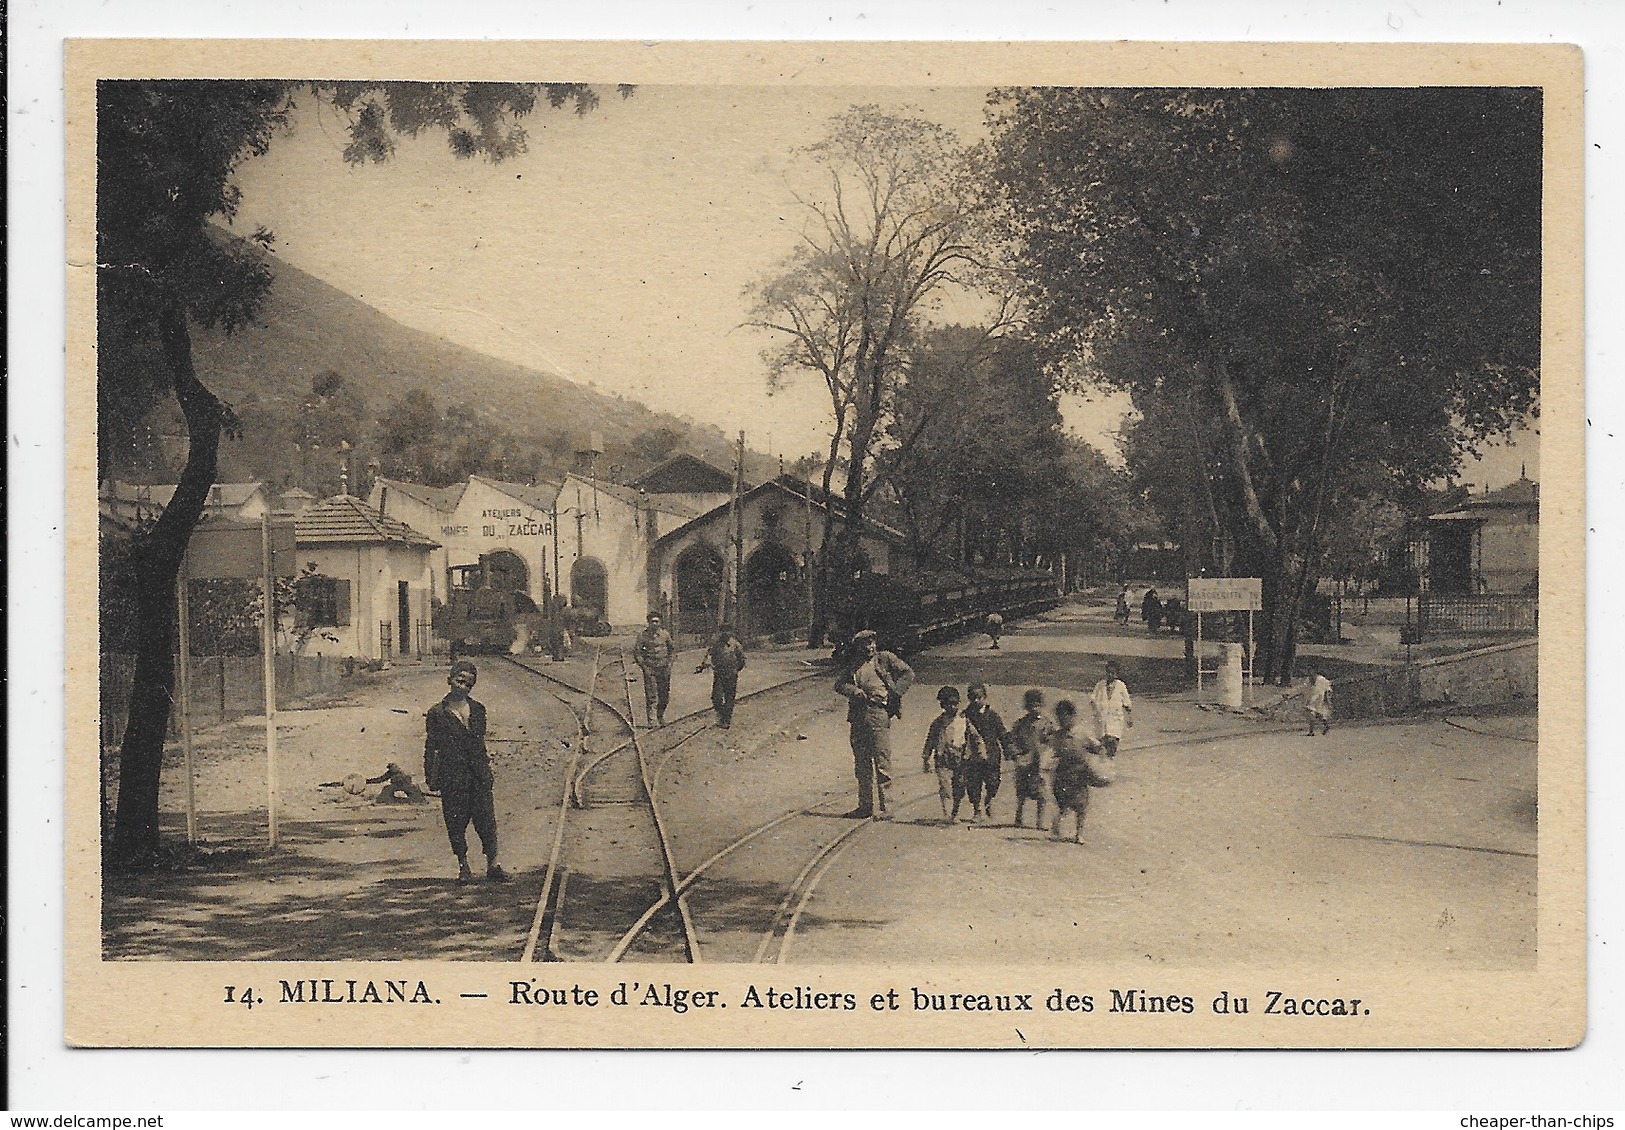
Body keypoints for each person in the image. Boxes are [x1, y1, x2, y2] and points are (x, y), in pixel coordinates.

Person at [424, 661, 510, 883]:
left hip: (478, 775)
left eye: (469, 684)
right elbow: (431, 746)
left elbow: (479, 744)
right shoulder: (437, 713)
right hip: (452, 776)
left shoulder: (478, 710)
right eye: (459, 681)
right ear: (450, 680)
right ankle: (463, 866)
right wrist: (431, 778)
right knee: (455, 822)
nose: (463, 687)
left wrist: (486, 771)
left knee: (487, 821)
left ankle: (493, 864)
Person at [834, 629, 914, 820]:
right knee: (862, 763)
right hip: (858, 716)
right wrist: (853, 691)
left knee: (882, 761)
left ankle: (888, 808)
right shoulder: (853, 664)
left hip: (879, 714)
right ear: (858, 647)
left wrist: (895, 693)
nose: (870, 647)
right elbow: (839, 684)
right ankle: (865, 807)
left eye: (872, 643)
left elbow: (908, 673)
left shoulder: (884, 659)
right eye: (865, 645)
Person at [1049, 699, 1109, 844]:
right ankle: (1058, 820)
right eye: (1059, 718)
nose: (1062, 722)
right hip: (1062, 774)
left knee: (1081, 805)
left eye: (1065, 718)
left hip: (1080, 773)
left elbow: (1097, 746)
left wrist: (1101, 755)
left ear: (1072, 716)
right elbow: (1051, 752)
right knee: (1063, 803)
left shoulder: (1082, 733)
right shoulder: (1057, 736)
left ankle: (1079, 833)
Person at [921, 685, 983, 825]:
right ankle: (947, 814)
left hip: (960, 759)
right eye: (949, 704)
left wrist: (979, 752)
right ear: (943, 705)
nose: (953, 707)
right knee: (945, 786)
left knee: (959, 788)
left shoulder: (964, 720)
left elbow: (975, 736)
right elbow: (930, 741)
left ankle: (954, 813)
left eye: (955, 703)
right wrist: (926, 758)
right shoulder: (938, 723)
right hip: (943, 759)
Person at [963, 682, 1010, 823]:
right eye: (973, 698)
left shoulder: (993, 716)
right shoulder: (965, 716)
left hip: (992, 756)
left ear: (985, 697)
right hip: (973, 757)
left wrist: (1008, 750)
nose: (976, 701)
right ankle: (977, 810)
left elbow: (1002, 733)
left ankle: (988, 800)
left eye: (979, 697)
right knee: (973, 784)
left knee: (993, 782)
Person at [1009, 688, 1055, 830]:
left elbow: (1052, 741)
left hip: (1040, 763)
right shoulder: (1021, 723)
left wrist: (1048, 754)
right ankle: (1019, 815)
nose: (1035, 709)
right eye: (1032, 706)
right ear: (1027, 707)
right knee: (1022, 792)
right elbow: (1012, 740)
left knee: (1041, 793)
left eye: (1038, 706)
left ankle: (1039, 821)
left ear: (1042, 706)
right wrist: (1015, 753)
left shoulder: (1047, 724)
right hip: (1024, 762)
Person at [696, 626, 748, 728]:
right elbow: (709, 656)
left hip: (731, 674)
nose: (725, 633)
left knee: (729, 698)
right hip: (719, 674)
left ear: (731, 632)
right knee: (716, 697)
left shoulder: (736, 645)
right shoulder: (716, 645)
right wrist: (704, 665)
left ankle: (726, 720)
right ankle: (721, 713)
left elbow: (742, 660)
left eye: (727, 631)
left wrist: (735, 670)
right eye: (723, 631)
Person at [634, 610, 676, 727]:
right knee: (651, 695)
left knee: (664, 695)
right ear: (648, 622)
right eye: (652, 622)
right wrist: (644, 667)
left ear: (660, 622)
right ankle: (651, 720)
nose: (655, 624)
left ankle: (660, 716)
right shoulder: (642, 636)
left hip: (664, 668)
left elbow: (672, 650)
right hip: (650, 669)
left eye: (657, 621)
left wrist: (669, 664)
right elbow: (637, 653)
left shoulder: (665, 635)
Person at [1088, 660, 1134, 758]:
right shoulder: (1100, 685)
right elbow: (1092, 698)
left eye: (1113, 673)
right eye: (1108, 672)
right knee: (1103, 746)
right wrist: (1096, 710)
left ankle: (1110, 761)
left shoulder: (1121, 686)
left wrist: (1129, 718)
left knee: (1112, 743)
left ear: (1117, 674)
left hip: (1115, 720)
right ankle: (1105, 764)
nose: (1110, 675)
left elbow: (1127, 703)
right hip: (1102, 719)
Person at [1304, 664, 1333, 737]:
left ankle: (1313, 730)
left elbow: (1328, 689)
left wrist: (1327, 699)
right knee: (1313, 714)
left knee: (1315, 713)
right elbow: (1305, 689)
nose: (1309, 672)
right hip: (1312, 698)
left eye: (1310, 670)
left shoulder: (1321, 679)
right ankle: (1323, 726)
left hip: (1319, 698)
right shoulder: (1308, 680)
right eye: (1308, 670)